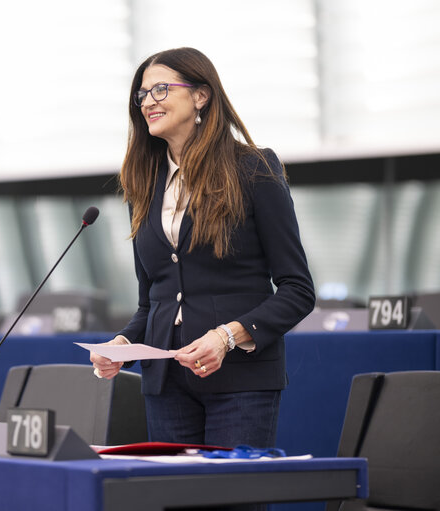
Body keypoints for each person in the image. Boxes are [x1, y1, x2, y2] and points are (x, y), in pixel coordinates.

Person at [90, 47, 315, 449]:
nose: (148, 102)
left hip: (240, 380)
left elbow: (298, 290)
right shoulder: (143, 186)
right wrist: (121, 345)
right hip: (166, 385)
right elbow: (154, 301)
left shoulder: (254, 168)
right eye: (142, 95)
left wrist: (227, 336)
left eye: (160, 89)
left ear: (201, 96)